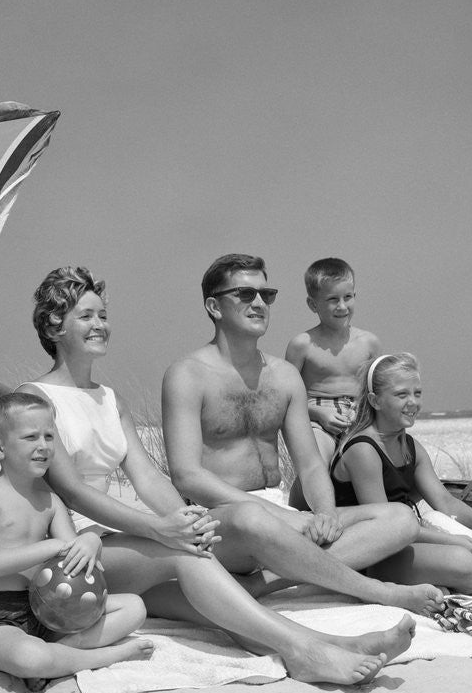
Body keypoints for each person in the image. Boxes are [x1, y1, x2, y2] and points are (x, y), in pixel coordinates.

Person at [17, 266, 418, 688]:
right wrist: (161, 529)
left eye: (102, 315)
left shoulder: (108, 399)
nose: (100, 325)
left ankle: (322, 644)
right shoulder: (35, 399)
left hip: (115, 542)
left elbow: (149, 479)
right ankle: (313, 646)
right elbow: (74, 492)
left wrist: (188, 522)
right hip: (72, 551)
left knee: (196, 554)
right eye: (86, 316)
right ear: (53, 325)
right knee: (186, 556)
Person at [162, 253, 444, 616]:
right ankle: (376, 591)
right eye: (245, 295)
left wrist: (324, 514)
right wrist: (281, 517)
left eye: (267, 294)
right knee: (252, 518)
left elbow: (310, 465)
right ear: (214, 306)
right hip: (224, 519)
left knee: (400, 519)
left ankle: (263, 584)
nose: (260, 303)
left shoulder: (283, 376)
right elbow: (187, 475)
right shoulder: (187, 374)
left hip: (280, 512)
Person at [0, 393, 154, 688]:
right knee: (31, 658)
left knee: (134, 607)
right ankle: (104, 656)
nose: (43, 446)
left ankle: (62, 653)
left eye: (49, 436)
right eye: (31, 437)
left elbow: (73, 554)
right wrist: (53, 546)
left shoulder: (51, 501)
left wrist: (91, 541)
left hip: (44, 610)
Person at [330, 353, 472, 593]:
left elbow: (444, 501)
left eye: (417, 393)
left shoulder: (410, 446)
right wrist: (456, 541)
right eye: (402, 394)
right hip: (377, 557)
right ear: (375, 400)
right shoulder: (363, 450)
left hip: (408, 540)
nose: (413, 402)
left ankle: (458, 580)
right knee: (464, 562)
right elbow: (384, 531)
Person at [285, 257, 382, 468]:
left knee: (375, 459)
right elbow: (286, 397)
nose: (342, 306)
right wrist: (318, 413)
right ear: (313, 304)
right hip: (317, 420)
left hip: (359, 419)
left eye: (348, 297)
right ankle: (307, 501)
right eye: (332, 299)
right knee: (317, 460)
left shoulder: (369, 343)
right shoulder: (302, 344)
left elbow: (379, 389)